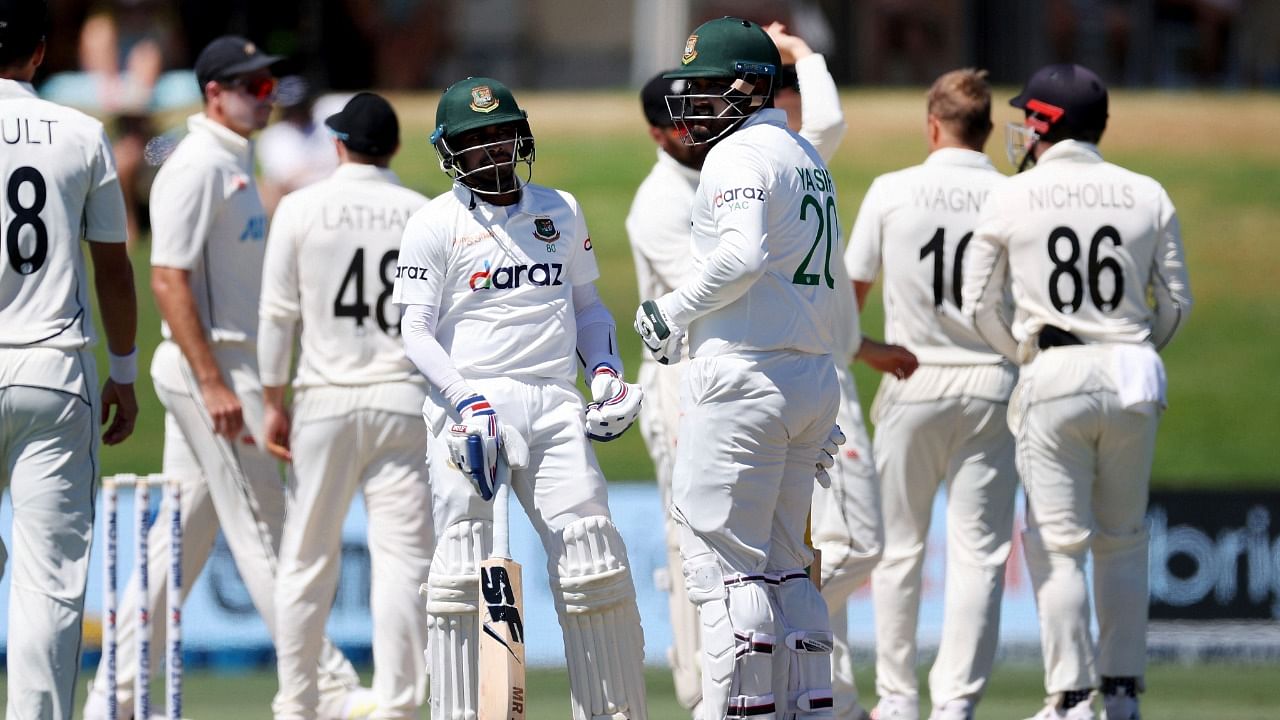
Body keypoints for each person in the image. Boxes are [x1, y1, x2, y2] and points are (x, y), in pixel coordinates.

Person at [626, 21, 915, 720]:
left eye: (702, 89)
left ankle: (744, 711)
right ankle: (813, 707)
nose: (691, 104)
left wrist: (669, 313)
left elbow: (741, 257)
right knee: (790, 561)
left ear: (744, 86)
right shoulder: (803, 155)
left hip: (743, 380)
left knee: (722, 567)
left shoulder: (737, 156)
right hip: (812, 382)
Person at [81, 36, 371, 720]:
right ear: (215, 92)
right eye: (253, 87)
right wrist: (212, 383)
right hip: (206, 368)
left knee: (178, 542)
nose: (266, 97)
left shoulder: (235, 162)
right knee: (267, 529)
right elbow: (166, 277)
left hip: (229, 366)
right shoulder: (195, 166)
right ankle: (323, 686)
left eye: (270, 86)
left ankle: (110, 699)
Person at [394, 76, 648, 720]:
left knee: (594, 557)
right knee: (461, 573)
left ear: (520, 135)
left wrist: (606, 374)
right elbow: (414, 330)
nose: (491, 152)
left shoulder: (558, 209)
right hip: (471, 410)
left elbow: (587, 309)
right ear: (450, 151)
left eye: (500, 136)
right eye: (474, 141)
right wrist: (463, 402)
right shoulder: (433, 222)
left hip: (555, 401)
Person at [960, 63, 1193, 720]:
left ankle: (1069, 698)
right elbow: (1175, 303)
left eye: (1027, 117)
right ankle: (1121, 696)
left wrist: (1023, 354)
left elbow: (977, 304)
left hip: (1054, 370)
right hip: (1132, 369)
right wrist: (1136, 347)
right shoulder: (1146, 191)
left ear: (1044, 124)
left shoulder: (1013, 195)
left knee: (1059, 543)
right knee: (1121, 538)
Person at [844, 69, 1015, 720]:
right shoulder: (1013, 194)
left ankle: (895, 700)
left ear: (932, 126)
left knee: (899, 549)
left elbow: (847, 299)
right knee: (979, 553)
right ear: (987, 131)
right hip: (991, 381)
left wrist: (866, 352)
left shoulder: (893, 191)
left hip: (911, 378)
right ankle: (955, 704)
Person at [260, 92, 433, 720]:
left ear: (337, 145)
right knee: (404, 562)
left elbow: (278, 315)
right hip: (401, 398)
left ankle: (298, 702)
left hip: (323, 399)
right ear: (391, 148)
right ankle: (398, 705)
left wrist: (270, 399)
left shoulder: (301, 207)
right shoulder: (421, 212)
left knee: (306, 559)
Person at [0, 1, 139, 716]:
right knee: (47, 581)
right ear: (40, 53)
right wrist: (123, 371)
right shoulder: (81, 132)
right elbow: (112, 267)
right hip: (53, 368)